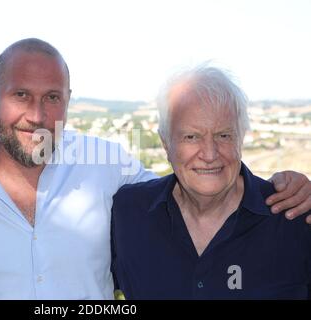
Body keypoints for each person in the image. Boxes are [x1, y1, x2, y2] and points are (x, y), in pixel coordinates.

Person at [0, 38, 311, 299]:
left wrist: (284, 183)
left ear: (68, 99)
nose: (36, 114)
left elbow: (199, 179)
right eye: (20, 95)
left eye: (52, 97)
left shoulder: (109, 167)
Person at [111, 65, 311, 299]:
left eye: (223, 135)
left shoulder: (295, 218)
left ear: (241, 137)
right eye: (191, 137)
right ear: (166, 144)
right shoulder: (127, 212)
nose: (209, 154)